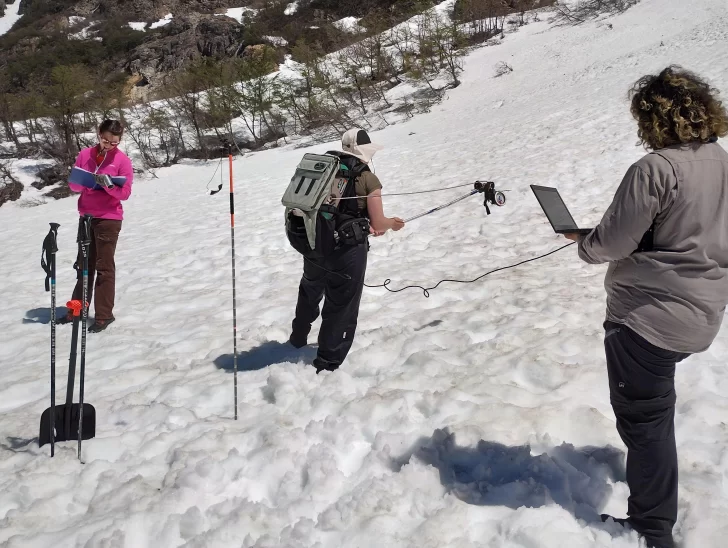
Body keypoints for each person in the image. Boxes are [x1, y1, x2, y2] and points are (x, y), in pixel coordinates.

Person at [565, 66, 728, 548]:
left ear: (653, 117)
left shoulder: (655, 168)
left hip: (648, 317)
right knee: (653, 412)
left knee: (646, 419)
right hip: (702, 311)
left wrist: (585, 245)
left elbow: (612, 244)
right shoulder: (721, 160)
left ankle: (651, 527)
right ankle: (653, 501)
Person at [289, 128, 405, 373]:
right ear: (365, 151)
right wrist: (393, 224)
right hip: (346, 250)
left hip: (314, 241)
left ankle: (298, 337)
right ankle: (328, 362)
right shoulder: (366, 177)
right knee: (341, 304)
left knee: (310, 289)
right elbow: (379, 223)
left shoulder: (324, 166)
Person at [60, 119, 134, 333]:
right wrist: (83, 181)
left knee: (104, 267)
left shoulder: (122, 161)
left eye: (114, 142)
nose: (109, 145)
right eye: (105, 140)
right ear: (98, 134)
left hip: (109, 219)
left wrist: (109, 186)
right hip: (86, 216)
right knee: (83, 266)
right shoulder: (85, 155)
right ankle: (77, 310)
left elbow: (125, 193)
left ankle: (103, 315)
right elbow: (74, 185)